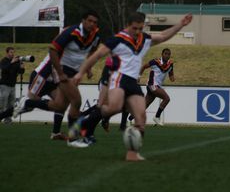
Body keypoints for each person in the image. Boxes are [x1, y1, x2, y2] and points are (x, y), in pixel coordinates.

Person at [72, 12, 192, 161]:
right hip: (118, 78)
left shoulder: (144, 39)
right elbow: (96, 56)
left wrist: (181, 24)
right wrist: (80, 73)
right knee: (113, 107)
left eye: (140, 28)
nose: (137, 32)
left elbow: (163, 36)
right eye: (134, 28)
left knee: (141, 116)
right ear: (127, 25)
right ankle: (82, 125)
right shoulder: (117, 40)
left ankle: (132, 154)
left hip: (132, 82)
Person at [14, 10, 101, 147]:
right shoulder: (71, 32)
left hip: (74, 72)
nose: (92, 24)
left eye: (95, 22)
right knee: (76, 101)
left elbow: (92, 51)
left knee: (59, 105)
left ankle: (29, 103)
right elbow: (52, 50)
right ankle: (73, 139)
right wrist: (60, 73)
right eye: (90, 21)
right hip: (62, 69)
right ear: (83, 21)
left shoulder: (95, 35)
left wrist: (88, 69)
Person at [120, 48, 175, 130]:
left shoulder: (170, 64)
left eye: (168, 54)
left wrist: (172, 78)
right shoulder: (156, 62)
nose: (167, 55)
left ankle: (129, 119)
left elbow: (171, 75)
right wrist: (139, 76)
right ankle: (157, 117)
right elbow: (144, 66)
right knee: (167, 98)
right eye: (165, 53)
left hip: (157, 86)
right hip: (152, 85)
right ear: (162, 54)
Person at [0, 47, 25, 124]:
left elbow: (20, 72)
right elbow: (4, 69)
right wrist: (11, 62)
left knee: (11, 104)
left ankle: (8, 120)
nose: (12, 54)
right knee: (3, 103)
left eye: (13, 52)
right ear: (7, 53)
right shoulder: (4, 61)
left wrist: (22, 67)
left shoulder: (16, 62)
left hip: (12, 86)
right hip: (4, 85)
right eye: (11, 52)